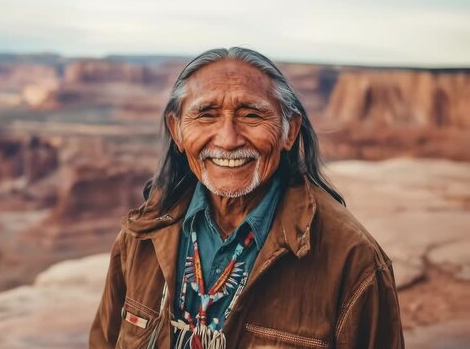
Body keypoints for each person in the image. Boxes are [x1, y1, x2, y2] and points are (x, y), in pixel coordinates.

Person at [90, 47, 404, 348]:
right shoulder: (142, 235)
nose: (228, 140)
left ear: (289, 131)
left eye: (252, 115)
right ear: (177, 131)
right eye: (207, 115)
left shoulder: (352, 259)